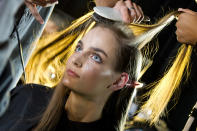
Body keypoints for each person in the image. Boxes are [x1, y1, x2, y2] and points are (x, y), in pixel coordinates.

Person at [0, 22, 143, 131]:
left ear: (118, 81)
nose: (75, 60)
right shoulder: (28, 97)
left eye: (95, 57)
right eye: (79, 48)